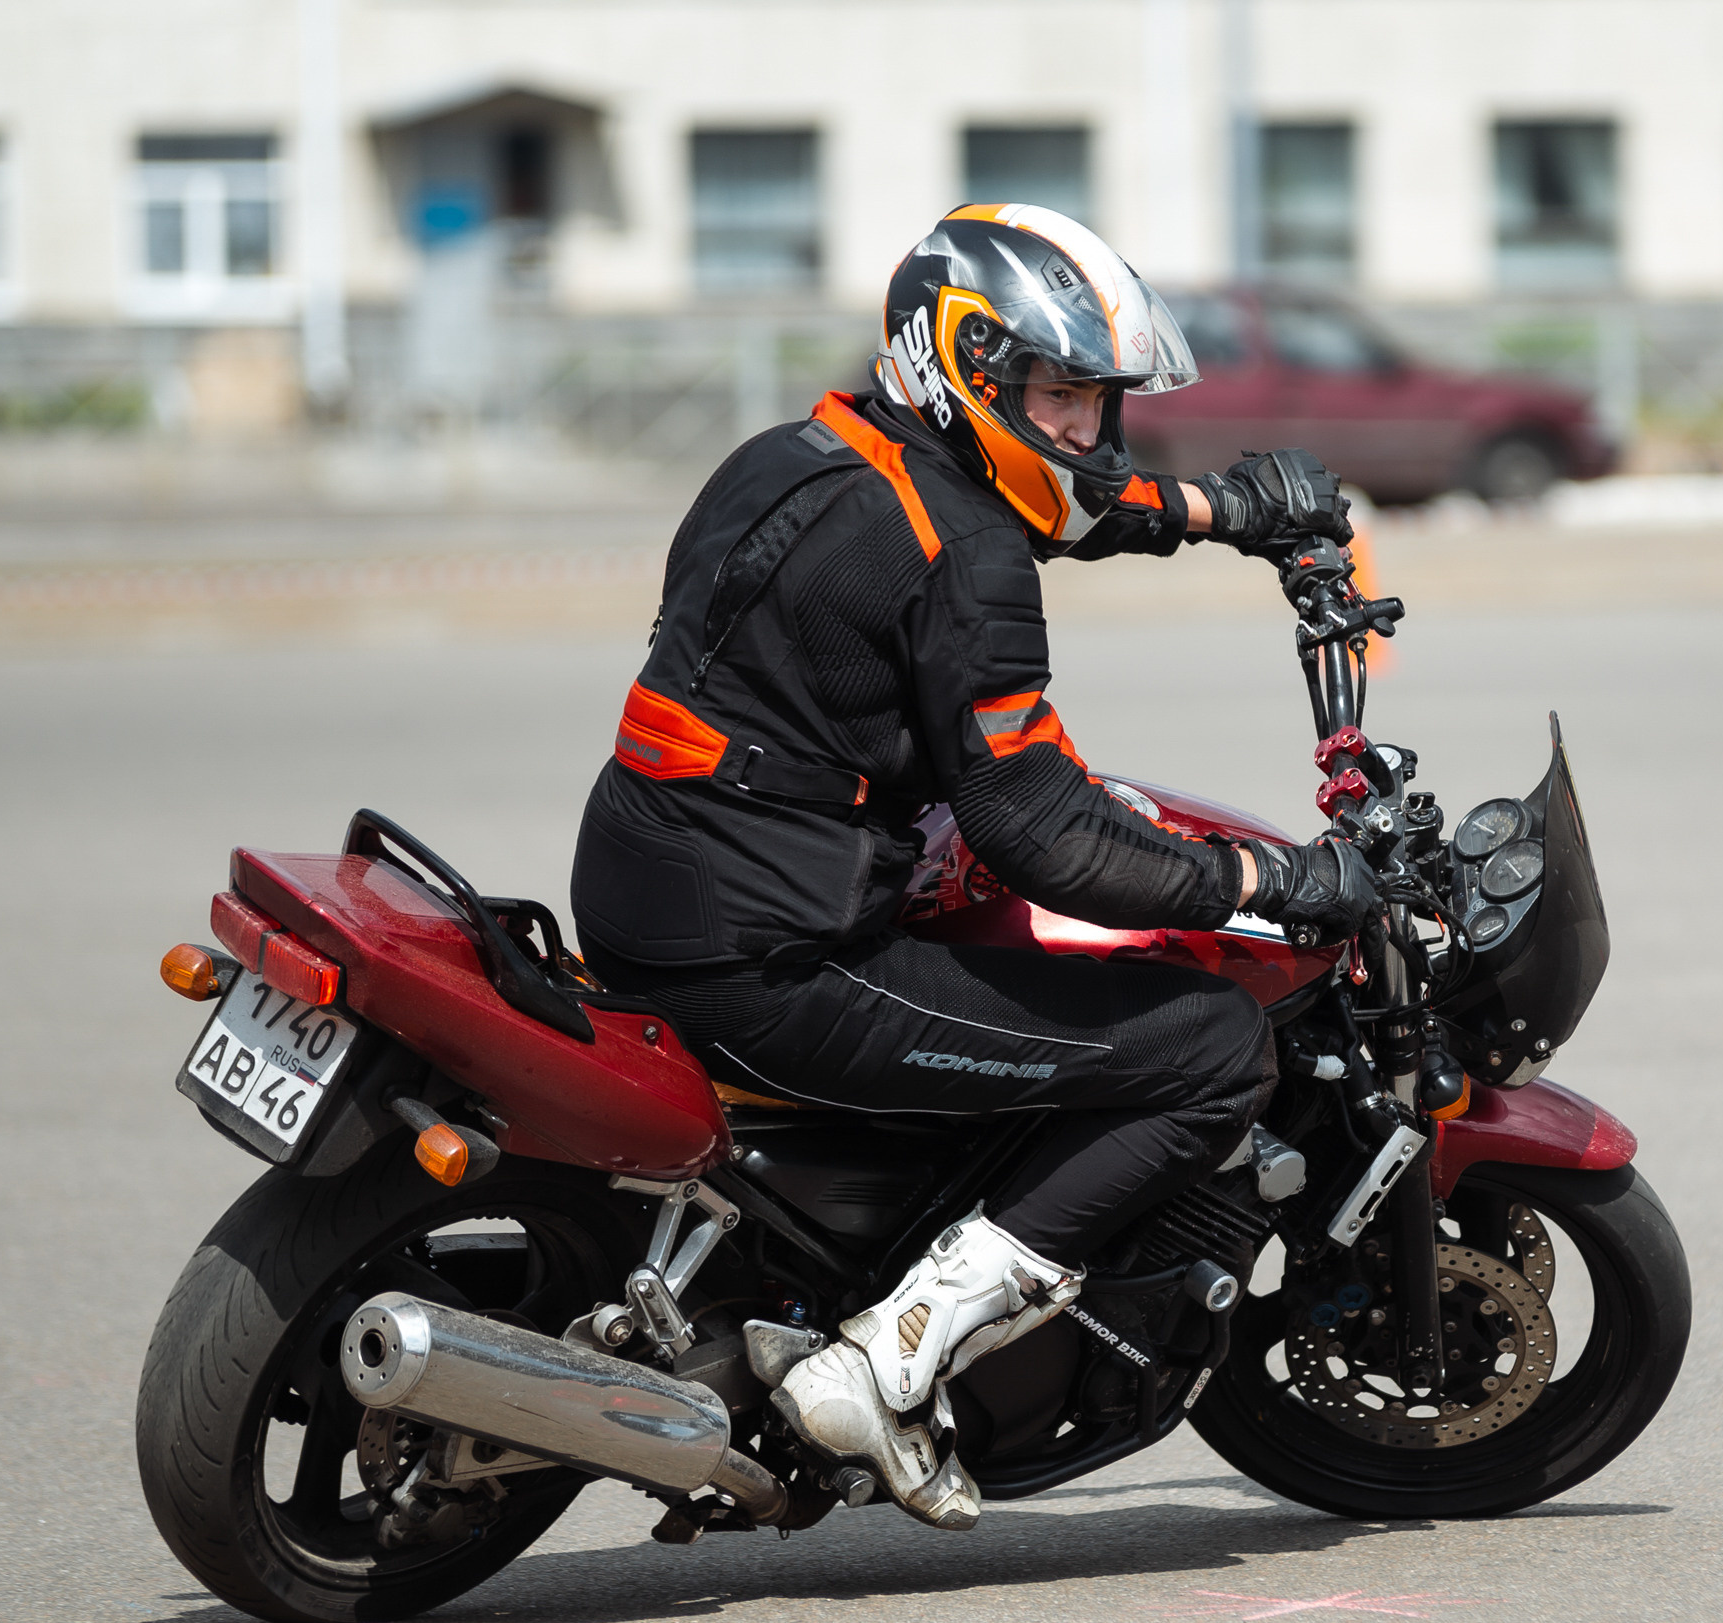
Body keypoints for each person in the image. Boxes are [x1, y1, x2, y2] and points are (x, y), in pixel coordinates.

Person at [567, 204, 1380, 1531]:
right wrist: (1263, 882)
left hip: (652, 878)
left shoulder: (803, 454)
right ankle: (887, 1360)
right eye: (1062, 396)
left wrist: (1219, 510)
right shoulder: (967, 556)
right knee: (1208, 1046)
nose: (1089, 431)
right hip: (775, 953)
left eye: (1100, 400)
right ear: (968, 367)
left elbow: (1041, 497)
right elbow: (1042, 832)